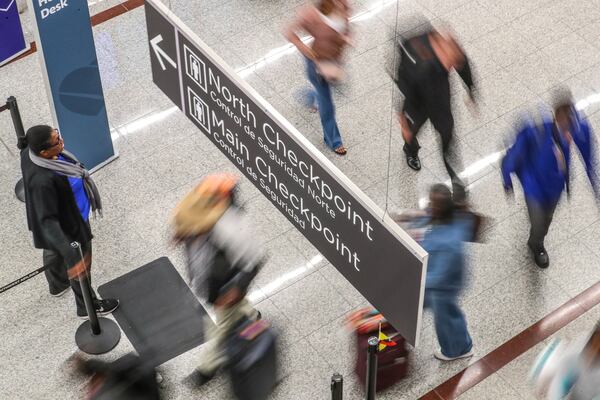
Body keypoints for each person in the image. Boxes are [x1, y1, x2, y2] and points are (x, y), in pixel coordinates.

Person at [172, 174, 264, 386]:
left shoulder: (233, 226)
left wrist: (235, 289)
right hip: (208, 282)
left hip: (225, 290)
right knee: (236, 312)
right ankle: (251, 316)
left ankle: (207, 369)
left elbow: (255, 259)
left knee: (221, 331)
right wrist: (183, 236)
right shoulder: (203, 215)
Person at [18, 125, 118, 318]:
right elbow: (48, 220)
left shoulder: (29, 153)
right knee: (81, 268)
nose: (62, 142)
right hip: (70, 224)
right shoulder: (44, 180)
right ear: (44, 151)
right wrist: (70, 251)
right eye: (57, 141)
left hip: (60, 217)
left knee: (52, 251)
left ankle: (57, 285)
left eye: (58, 135)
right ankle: (87, 306)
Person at [501, 90, 599, 268]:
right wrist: (506, 177)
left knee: (547, 219)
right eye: (564, 128)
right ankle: (536, 244)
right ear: (556, 117)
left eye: (570, 129)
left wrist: (596, 188)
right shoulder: (537, 129)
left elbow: (589, 160)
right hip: (534, 186)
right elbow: (514, 153)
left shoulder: (578, 129)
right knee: (538, 223)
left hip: (555, 186)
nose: (569, 135)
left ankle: (539, 235)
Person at [394, 26, 477, 195]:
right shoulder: (420, 66)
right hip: (417, 104)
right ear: (442, 52)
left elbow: (463, 66)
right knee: (412, 131)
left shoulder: (451, 52)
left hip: (440, 103)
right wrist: (403, 122)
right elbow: (408, 90)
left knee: (448, 140)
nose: (452, 67)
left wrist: (470, 90)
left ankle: (456, 182)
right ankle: (410, 149)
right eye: (451, 64)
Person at [396, 184, 474, 361]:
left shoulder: (449, 244)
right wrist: (410, 217)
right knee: (416, 305)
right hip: (433, 277)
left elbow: (439, 276)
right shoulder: (447, 216)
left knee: (446, 319)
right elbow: (426, 218)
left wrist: (416, 279)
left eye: (433, 203)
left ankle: (459, 349)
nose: (429, 206)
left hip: (442, 287)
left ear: (440, 208)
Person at [285, 0, 351, 156]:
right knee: (327, 104)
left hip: (335, 62)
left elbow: (346, 26)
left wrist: (346, 38)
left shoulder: (342, 5)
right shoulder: (310, 14)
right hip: (318, 65)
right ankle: (333, 140)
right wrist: (309, 53)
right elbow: (289, 33)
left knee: (337, 90)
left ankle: (310, 97)